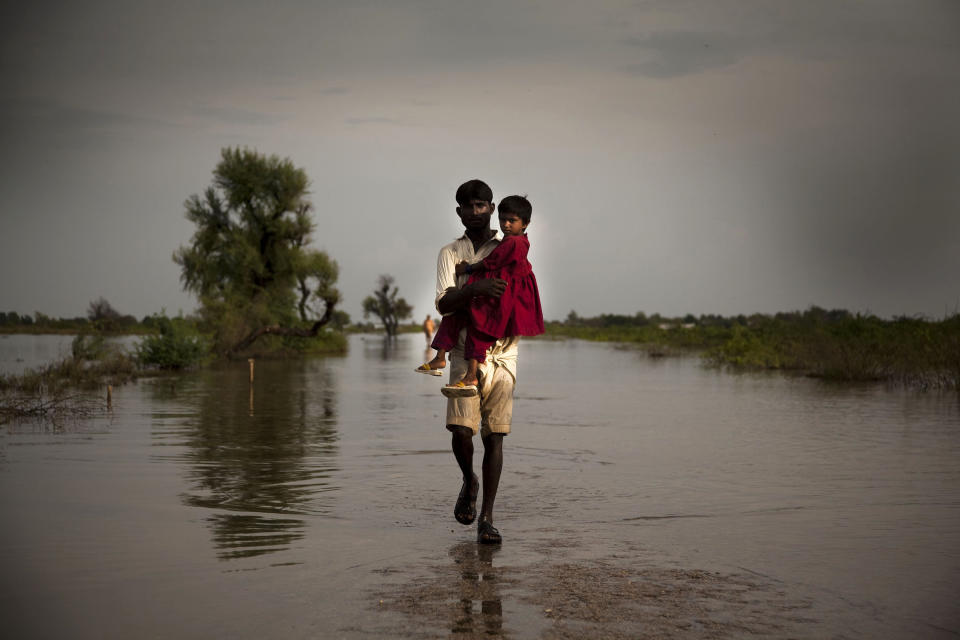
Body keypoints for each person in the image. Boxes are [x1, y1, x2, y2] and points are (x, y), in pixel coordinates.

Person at [431, 178, 516, 544]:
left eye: (482, 205)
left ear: (492, 208)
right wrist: (476, 288)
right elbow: (444, 303)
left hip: (502, 352)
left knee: (495, 435)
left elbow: (519, 292)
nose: (476, 212)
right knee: (461, 431)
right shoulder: (450, 252)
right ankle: (469, 479)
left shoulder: (510, 248)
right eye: (469, 206)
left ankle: (487, 518)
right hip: (465, 351)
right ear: (459, 212)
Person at [417, 196, 543, 393]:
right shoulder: (454, 250)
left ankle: (469, 375)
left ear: (525, 223)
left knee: (478, 329)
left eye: (512, 221)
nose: (506, 225)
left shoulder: (514, 244)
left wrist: (468, 269)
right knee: (455, 316)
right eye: (503, 220)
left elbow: (491, 262)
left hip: (498, 297)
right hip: (488, 292)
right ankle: (440, 357)